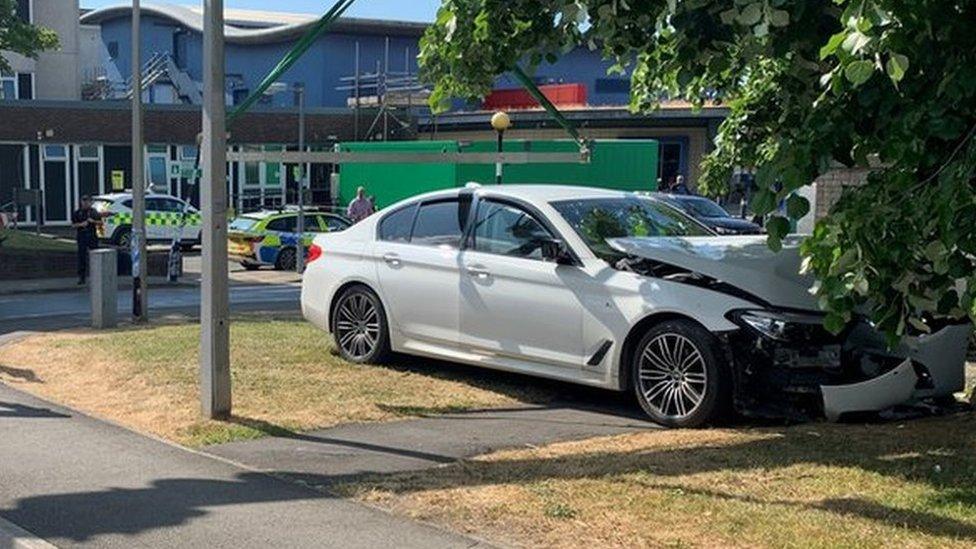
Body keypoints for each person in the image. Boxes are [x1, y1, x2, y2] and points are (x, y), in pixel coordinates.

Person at [71, 195, 102, 285]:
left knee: (95, 256)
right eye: (84, 201)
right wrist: (81, 224)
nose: (85, 203)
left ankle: (96, 277)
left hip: (92, 235)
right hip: (82, 236)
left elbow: (100, 222)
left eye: (87, 201)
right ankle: (82, 277)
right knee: (82, 257)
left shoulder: (94, 212)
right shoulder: (77, 213)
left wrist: (93, 221)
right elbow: (73, 225)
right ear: (81, 202)